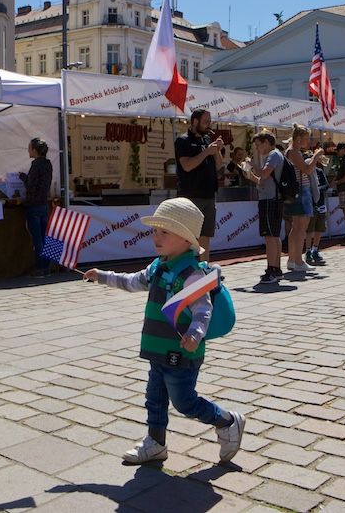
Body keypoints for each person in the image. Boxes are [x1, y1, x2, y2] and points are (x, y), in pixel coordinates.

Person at [83, 198, 245, 465]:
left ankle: (228, 421)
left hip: (181, 351)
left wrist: (195, 335)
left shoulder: (192, 273)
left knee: (185, 402)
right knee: (154, 399)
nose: (156, 237)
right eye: (155, 231)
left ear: (185, 238)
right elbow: (133, 281)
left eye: (165, 232)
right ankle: (155, 443)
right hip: (158, 349)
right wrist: (102, 276)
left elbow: (203, 310)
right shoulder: (158, 265)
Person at [175, 109, 224, 261]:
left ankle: (204, 267)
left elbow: (218, 166)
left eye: (210, 121)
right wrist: (206, 152)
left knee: (205, 235)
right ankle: (183, 267)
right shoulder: (183, 140)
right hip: (190, 195)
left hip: (208, 194)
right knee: (187, 235)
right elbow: (187, 166)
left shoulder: (207, 139)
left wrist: (217, 150)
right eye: (206, 122)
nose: (209, 125)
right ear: (195, 121)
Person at [245, 132, 284, 284]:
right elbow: (262, 180)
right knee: (274, 235)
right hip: (271, 197)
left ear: (266, 142)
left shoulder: (273, 155)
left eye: (258, 145)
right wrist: (250, 175)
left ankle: (272, 269)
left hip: (270, 199)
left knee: (270, 236)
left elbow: (265, 174)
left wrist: (253, 164)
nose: (257, 148)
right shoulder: (274, 155)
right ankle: (276, 269)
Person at [284, 124, 324, 272]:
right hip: (301, 190)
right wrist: (316, 156)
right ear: (299, 138)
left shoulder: (292, 151)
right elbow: (307, 170)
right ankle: (298, 261)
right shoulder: (294, 152)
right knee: (301, 228)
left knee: (296, 228)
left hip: (298, 190)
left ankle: (292, 260)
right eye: (306, 138)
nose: (308, 141)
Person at [20, 138, 53, 277]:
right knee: (45, 237)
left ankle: (40, 268)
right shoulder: (48, 164)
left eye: (29, 148)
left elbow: (31, 185)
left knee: (37, 239)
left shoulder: (36, 165)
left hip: (34, 205)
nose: (28, 150)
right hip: (44, 204)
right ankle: (47, 267)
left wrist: (23, 177)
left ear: (34, 150)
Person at [305, 153, 329, 265]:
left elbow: (326, 185)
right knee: (310, 229)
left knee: (320, 228)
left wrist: (317, 189)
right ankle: (307, 250)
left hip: (320, 203)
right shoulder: (304, 172)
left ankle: (315, 249)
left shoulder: (319, 171)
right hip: (310, 204)